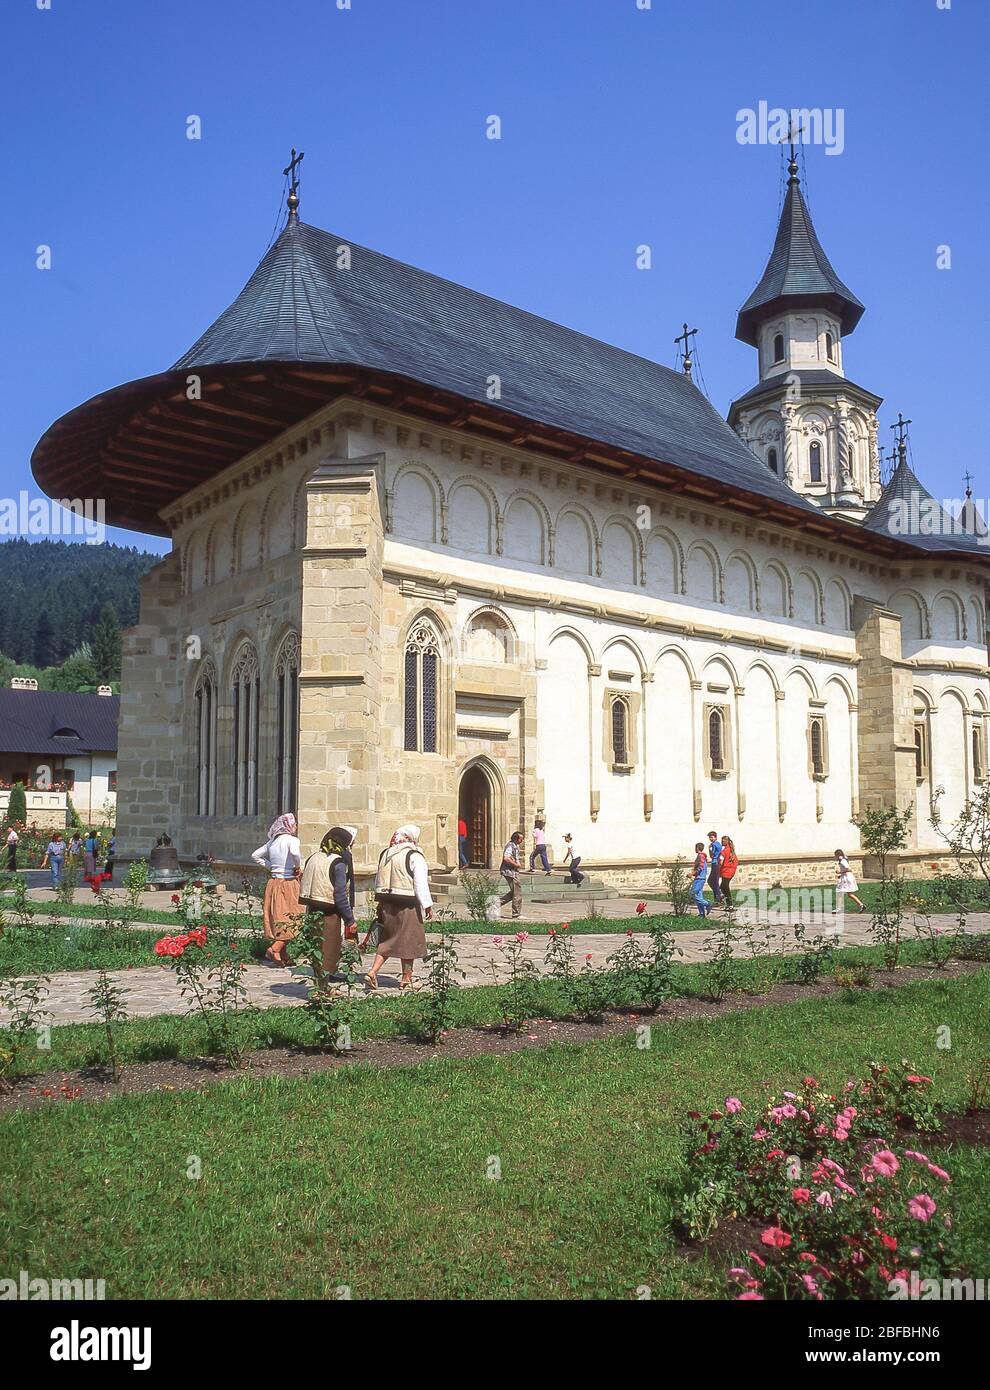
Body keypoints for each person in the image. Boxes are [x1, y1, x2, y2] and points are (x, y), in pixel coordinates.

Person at [366, 824, 434, 990]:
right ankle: (407, 979)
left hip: (386, 903)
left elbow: (378, 879)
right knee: (409, 941)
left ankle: (373, 972)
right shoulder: (414, 855)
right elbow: (420, 883)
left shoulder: (386, 853)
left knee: (388, 938)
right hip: (407, 904)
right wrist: (427, 905)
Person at [299, 825, 358, 987]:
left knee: (317, 949)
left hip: (312, 909)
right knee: (328, 950)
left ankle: (321, 984)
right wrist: (349, 919)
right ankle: (322, 990)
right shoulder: (337, 862)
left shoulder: (314, 857)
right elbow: (340, 894)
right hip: (329, 913)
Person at [251, 813, 303, 965]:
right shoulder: (292, 840)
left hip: (273, 882)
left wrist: (271, 867)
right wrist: (297, 866)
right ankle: (275, 948)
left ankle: (284, 954)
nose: (296, 826)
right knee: (294, 916)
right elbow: (294, 853)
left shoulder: (272, 842)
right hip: (288, 882)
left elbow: (255, 855)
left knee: (278, 916)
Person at [500, 830, 524, 918]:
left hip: (513, 872)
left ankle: (494, 904)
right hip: (510, 872)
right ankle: (516, 913)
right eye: (521, 839)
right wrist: (516, 865)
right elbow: (506, 858)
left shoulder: (515, 846)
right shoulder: (510, 846)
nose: (522, 841)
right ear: (516, 838)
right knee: (517, 892)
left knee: (514, 892)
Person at [719, 835, 739, 907]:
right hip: (731, 871)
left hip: (726, 871)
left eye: (723, 841)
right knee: (722, 886)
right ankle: (724, 900)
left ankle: (730, 904)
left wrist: (718, 869)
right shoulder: (732, 850)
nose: (722, 842)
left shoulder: (724, 851)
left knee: (725, 887)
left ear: (726, 842)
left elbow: (721, 861)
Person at [691, 842, 709, 917]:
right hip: (699, 877)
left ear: (697, 848)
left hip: (700, 878)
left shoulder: (701, 856)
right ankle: (702, 913)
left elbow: (700, 867)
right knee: (699, 895)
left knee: (693, 894)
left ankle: (707, 904)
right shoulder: (701, 856)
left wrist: (692, 873)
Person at [706, 830, 723, 907]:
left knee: (712, 881)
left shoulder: (713, 845)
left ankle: (718, 896)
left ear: (715, 837)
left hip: (715, 863)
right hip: (716, 863)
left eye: (712, 837)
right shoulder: (718, 844)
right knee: (712, 881)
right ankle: (718, 896)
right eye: (710, 837)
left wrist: (709, 849)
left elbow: (712, 856)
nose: (710, 839)